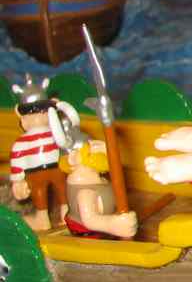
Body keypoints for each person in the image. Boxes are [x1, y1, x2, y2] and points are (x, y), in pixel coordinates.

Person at [48, 102, 138, 239]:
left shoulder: (99, 180)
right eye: (91, 150)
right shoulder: (85, 191)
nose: (98, 149)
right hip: (91, 236)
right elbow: (90, 220)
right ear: (73, 158)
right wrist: (115, 224)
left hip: (106, 231)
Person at [8, 76, 70, 231]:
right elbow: (17, 160)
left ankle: (63, 214)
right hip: (38, 173)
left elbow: (65, 146)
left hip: (54, 168)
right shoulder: (24, 141)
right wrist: (18, 180)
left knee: (61, 191)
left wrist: (17, 178)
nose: (35, 118)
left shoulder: (55, 134)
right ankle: (49, 217)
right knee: (43, 193)